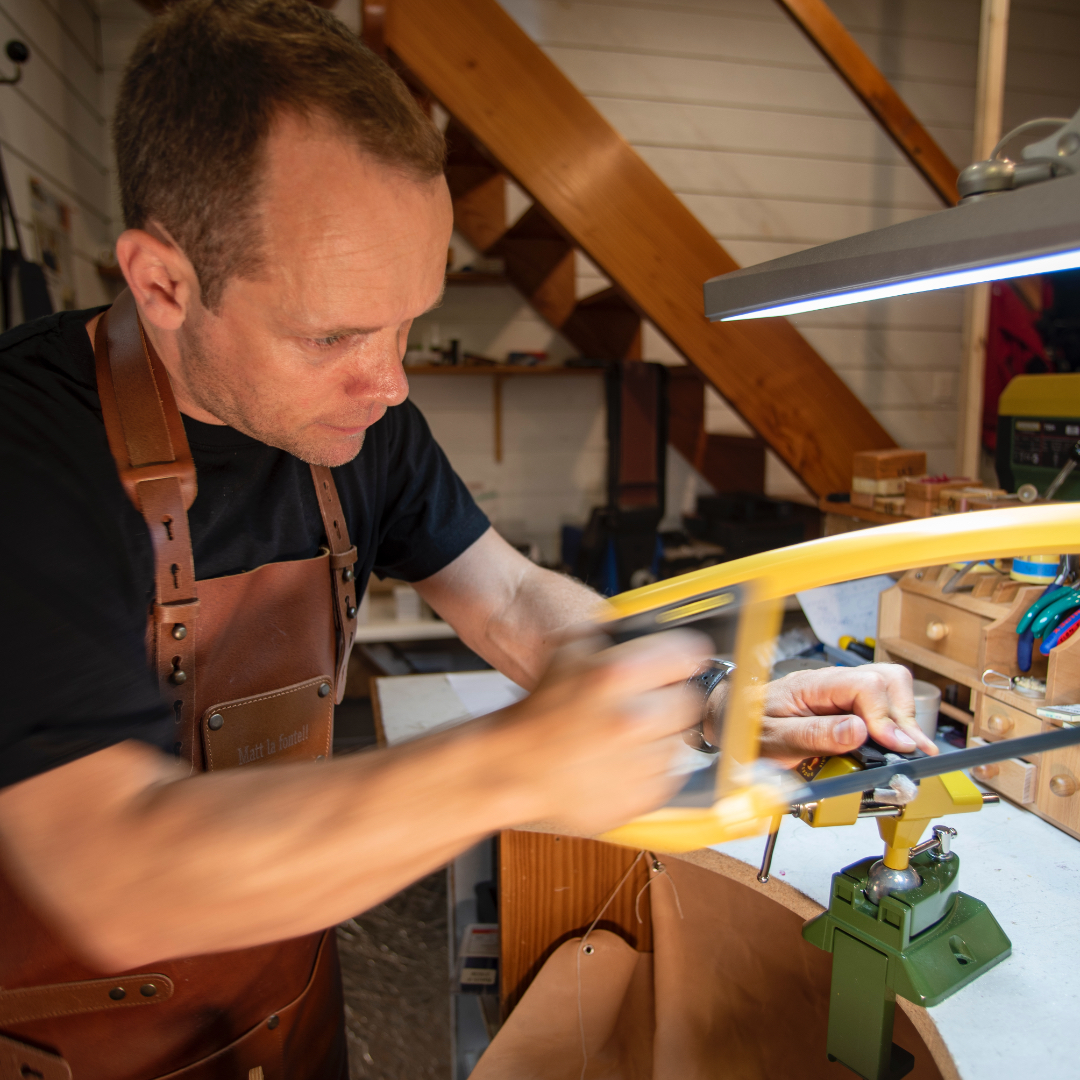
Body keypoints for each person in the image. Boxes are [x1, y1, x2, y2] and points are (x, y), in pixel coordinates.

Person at [0, 2, 935, 1076]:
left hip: (286, 1008)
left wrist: (710, 694)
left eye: (406, 322)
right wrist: (509, 764)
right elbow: (114, 877)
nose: (390, 382)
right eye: (334, 334)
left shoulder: (359, 422)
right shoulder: (28, 457)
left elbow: (510, 598)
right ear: (163, 283)